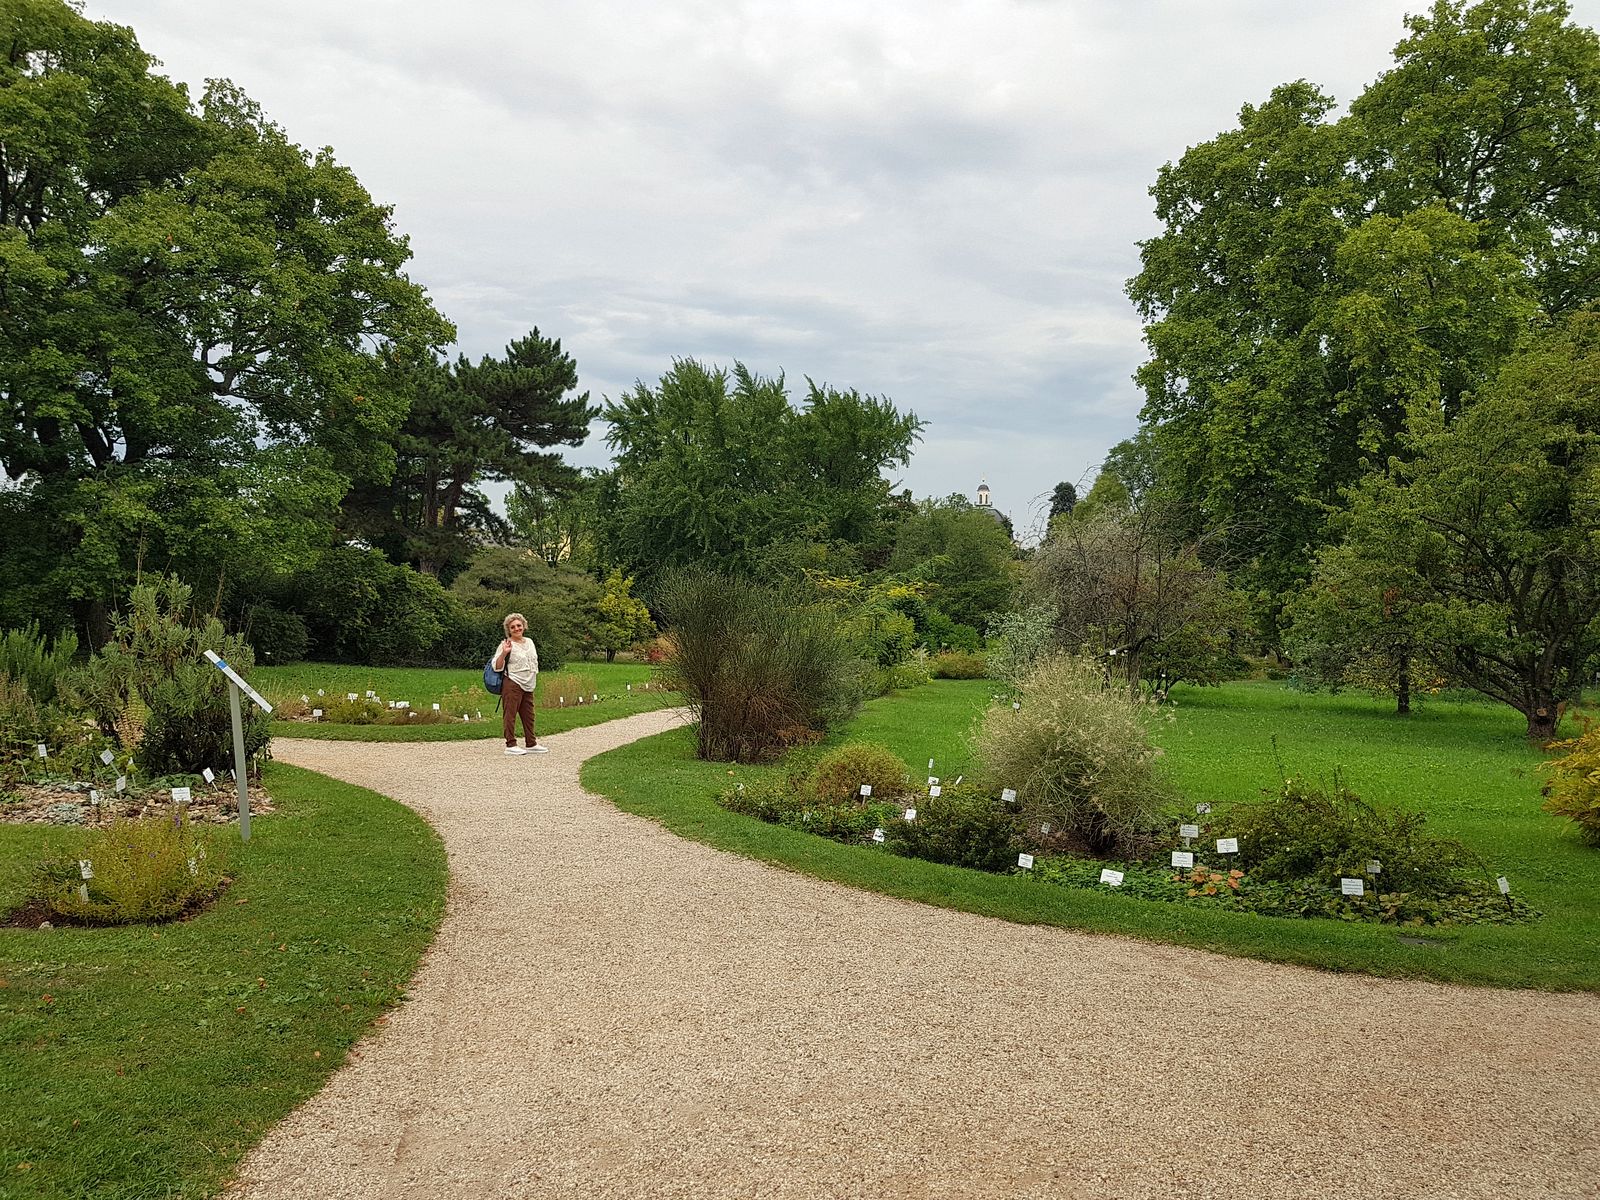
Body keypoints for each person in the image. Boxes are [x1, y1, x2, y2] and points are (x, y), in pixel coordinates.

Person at [494, 612, 547, 755]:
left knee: (529, 715)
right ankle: (510, 744)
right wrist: (504, 653)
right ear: (509, 630)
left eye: (519, 625)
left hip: (529, 684)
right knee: (510, 714)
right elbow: (497, 666)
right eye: (513, 627)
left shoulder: (529, 641)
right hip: (513, 683)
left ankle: (531, 743)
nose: (517, 629)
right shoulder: (506, 644)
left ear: (524, 625)